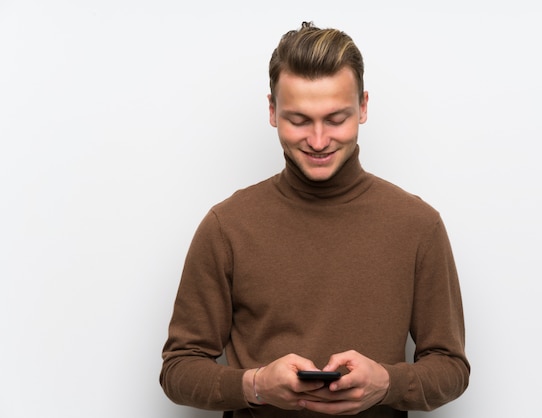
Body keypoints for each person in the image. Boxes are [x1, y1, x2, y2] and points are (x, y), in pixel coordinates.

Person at [160, 21, 470, 418]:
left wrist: (387, 384)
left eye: (336, 119)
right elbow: (178, 369)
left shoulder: (418, 225)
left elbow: (452, 367)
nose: (319, 141)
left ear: (363, 107)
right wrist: (254, 385)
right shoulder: (227, 226)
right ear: (272, 111)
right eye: (299, 120)